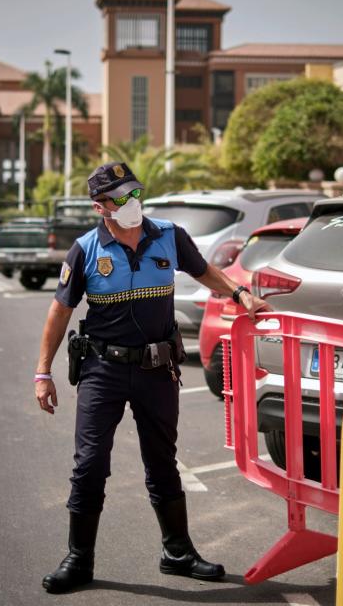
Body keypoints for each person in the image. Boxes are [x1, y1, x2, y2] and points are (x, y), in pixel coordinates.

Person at [34, 161, 270, 594]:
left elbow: (203, 271)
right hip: (102, 371)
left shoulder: (169, 235)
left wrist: (239, 294)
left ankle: (177, 552)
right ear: (99, 207)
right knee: (89, 466)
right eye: (121, 198)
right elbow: (60, 309)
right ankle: (79, 559)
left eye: (135, 192)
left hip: (157, 370)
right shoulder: (86, 249)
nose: (132, 203)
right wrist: (42, 372)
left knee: (163, 461)